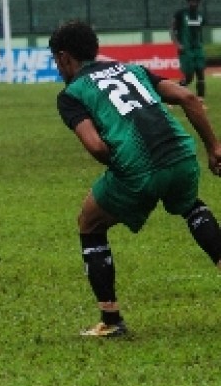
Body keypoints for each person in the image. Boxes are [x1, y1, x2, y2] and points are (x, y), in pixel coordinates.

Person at [49, 19, 221, 338]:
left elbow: (95, 145)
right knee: (191, 207)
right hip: (181, 154)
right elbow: (189, 99)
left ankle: (111, 321)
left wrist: (126, 168)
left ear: (64, 57)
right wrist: (213, 147)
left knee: (89, 223)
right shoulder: (131, 70)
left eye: (56, 62)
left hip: (137, 167)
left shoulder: (71, 94)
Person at [171, 0, 206, 98]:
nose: (194, 3)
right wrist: (178, 44)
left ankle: (200, 98)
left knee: (200, 72)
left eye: (196, 1)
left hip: (198, 48)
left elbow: (199, 31)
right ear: (188, 2)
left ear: (198, 3)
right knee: (189, 76)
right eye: (192, 1)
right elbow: (172, 30)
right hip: (186, 49)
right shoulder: (180, 14)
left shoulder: (201, 16)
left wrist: (200, 44)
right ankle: (174, 94)